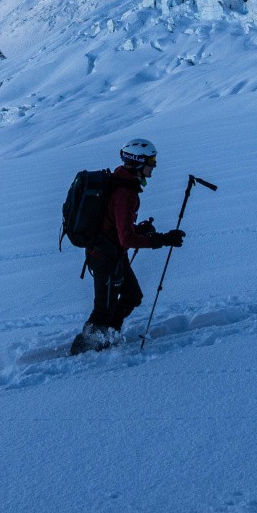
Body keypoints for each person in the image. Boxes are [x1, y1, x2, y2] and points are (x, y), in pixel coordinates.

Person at [70, 137, 185, 355]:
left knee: (132, 296)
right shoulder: (125, 194)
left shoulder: (121, 183)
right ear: (137, 162)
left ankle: (108, 334)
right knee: (102, 310)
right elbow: (127, 240)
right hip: (104, 256)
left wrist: (138, 230)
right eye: (151, 161)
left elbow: (117, 227)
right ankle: (81, 352)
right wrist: (163, 239)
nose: (155, 166)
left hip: (113, 253)